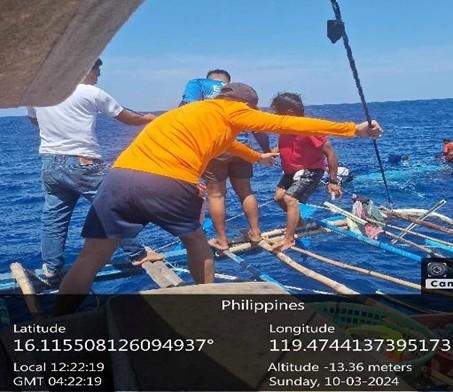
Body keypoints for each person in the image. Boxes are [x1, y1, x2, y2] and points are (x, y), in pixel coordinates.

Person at [55, 82, 382, 313]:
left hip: (119, 179)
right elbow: (285, 122)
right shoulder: (235, 112)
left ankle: (60, 318)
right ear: (245, 106)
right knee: (197, 241)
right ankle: (207, 307)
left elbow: (225, 144)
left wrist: (256, 158)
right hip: (168, 181)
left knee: (90, 259)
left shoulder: (188, 112)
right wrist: (353, 129)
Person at [27, 58, 163, 279]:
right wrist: (153, 119)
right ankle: (137, 253)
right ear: (84, 70)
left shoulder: (39, 94)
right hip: (83, 162)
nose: (98, 76)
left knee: (54, 217)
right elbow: (128, 117)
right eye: (97, 71)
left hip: (50, 163)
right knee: (114, 206)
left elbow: (34, 120)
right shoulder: (91, 92)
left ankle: (51, 267)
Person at [180, 69, 271, 250]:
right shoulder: (239, 95)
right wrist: (265, 151)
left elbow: (185, 112)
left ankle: (222, 240)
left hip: (216, 149)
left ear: (210, 80)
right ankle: (255, 232)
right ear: (228, 82)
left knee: (216, 195)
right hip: (243, 149)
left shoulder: (199, 87)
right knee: (246, 192)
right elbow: (258, 127)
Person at [270, 92, 344, 251]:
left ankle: (289, 239)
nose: (275, 116)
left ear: (289, 113)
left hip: (310, 170)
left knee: (290, 199)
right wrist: (270, 153)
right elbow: (286, 145)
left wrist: (333, 181)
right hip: (291, 171)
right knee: (278, 198)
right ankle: (299, 223)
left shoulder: (309, 129)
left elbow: (330, 153)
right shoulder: (285, 127)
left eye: (277, 112)